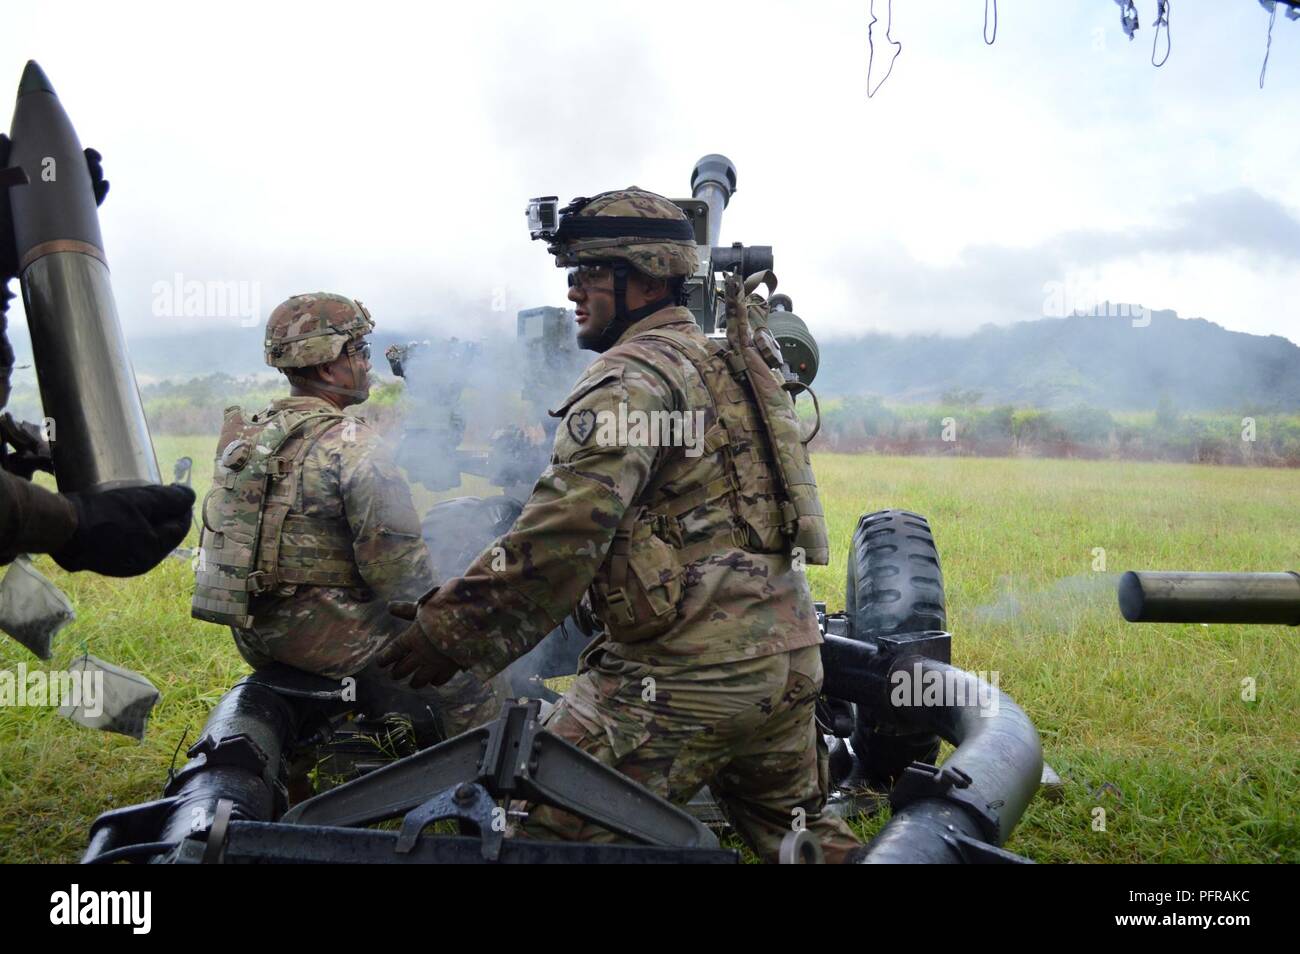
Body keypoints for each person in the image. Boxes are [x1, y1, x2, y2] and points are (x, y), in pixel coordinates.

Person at [380, 189, 861, 862]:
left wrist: (450, 629)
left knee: (522, 832)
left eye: (591, 273)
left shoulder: (631, 378)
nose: (573, 290)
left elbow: (562, 537)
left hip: (685, 677)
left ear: (648, 280)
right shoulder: (736, 362)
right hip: (785, 662)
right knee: (805, 842)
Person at [191, 292, 502, 741]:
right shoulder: (353, 444)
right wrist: (455, 624)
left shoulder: (253, 435)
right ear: (327, 367)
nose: (369, 364)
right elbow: (402, 577)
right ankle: (478, 775)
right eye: (361, 351)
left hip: (257, 634)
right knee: (477, 672)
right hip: (327, 640)